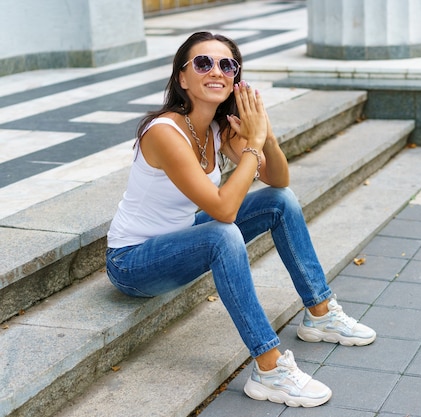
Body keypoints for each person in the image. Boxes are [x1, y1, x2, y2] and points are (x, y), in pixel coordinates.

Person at [105, 31, 376, 408]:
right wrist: (252, 144)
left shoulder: (217, 128)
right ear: (182, 78)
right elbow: (224, 211)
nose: (216, 71)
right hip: (132, 262)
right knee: (222, 234)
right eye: (203, 63)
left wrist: (266, 137)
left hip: (183, 238)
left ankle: (320, 313)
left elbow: (278, 180)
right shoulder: (164, 133)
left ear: (235, 77)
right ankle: (269, 368)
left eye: (226, 65)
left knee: (280, 201)